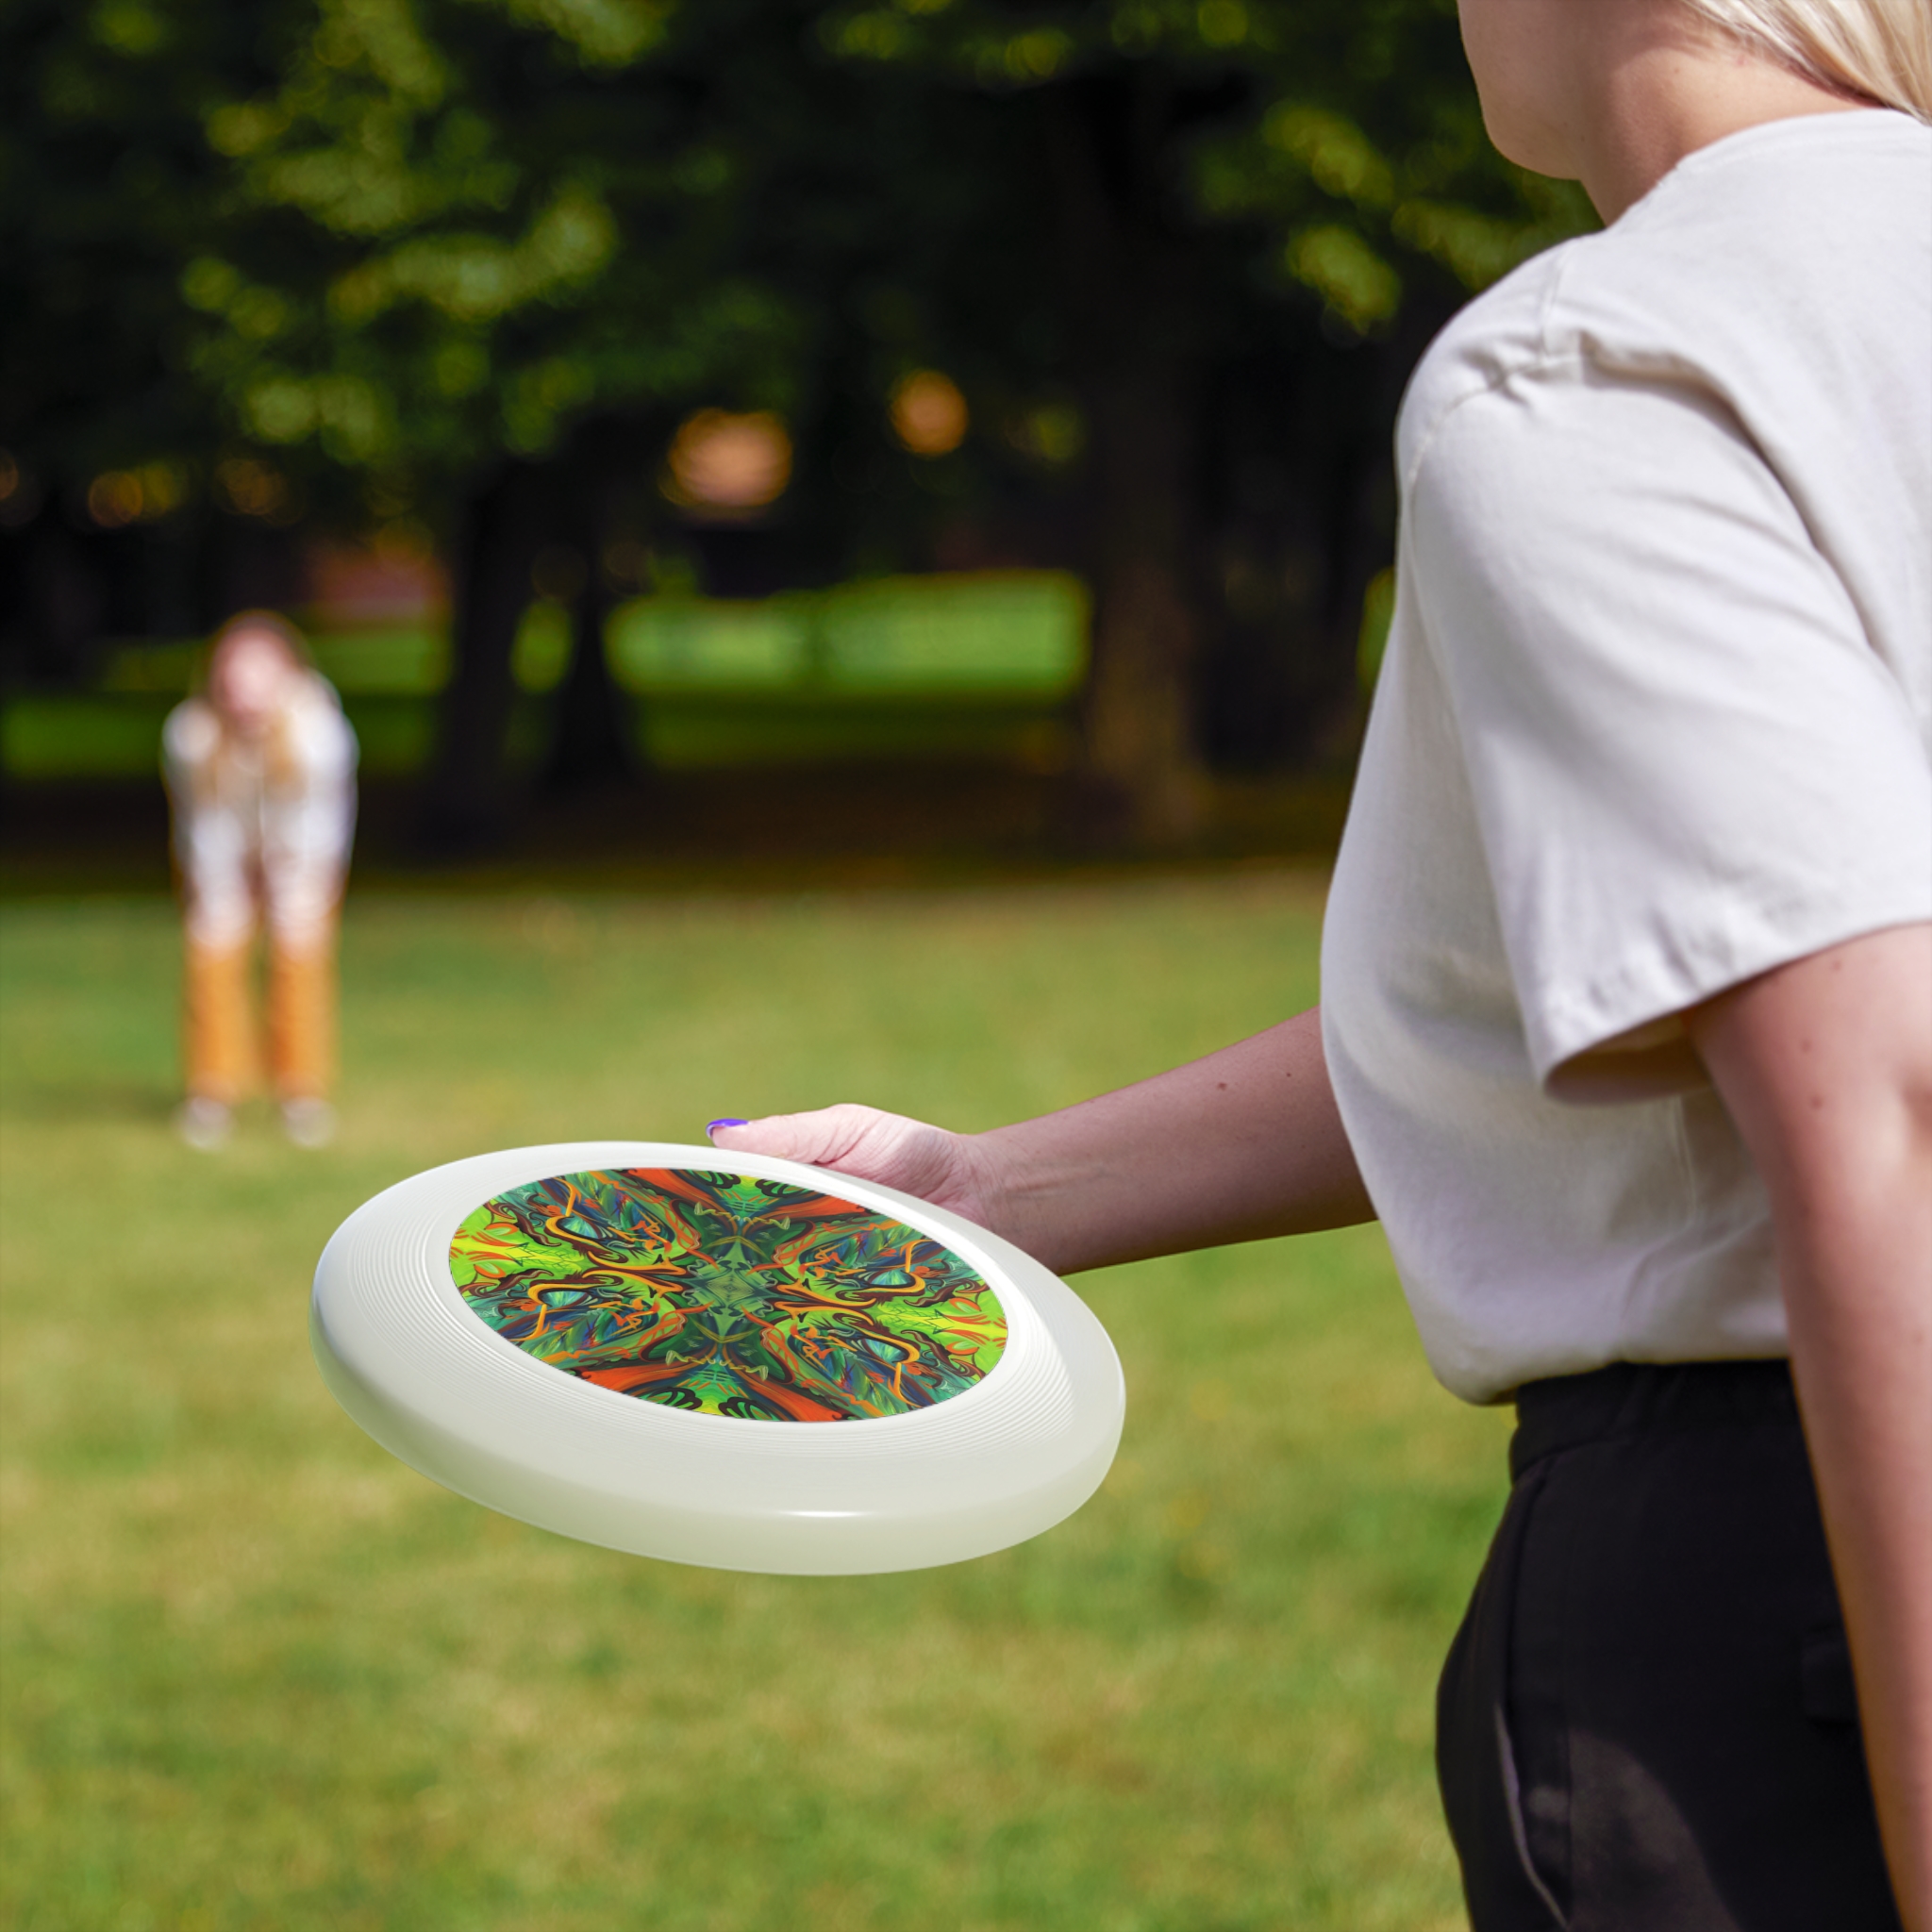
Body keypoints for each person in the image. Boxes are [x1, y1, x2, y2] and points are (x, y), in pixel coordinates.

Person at [705, 2, 1932, 1924]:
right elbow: (1624, 995)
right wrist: (986, 1189)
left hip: (1795, 1594)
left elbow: (1885, 1106)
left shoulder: (1608, 362)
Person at [162, 611, 358, 1151]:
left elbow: (318, 822)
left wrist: (288, 878)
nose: (245, 692)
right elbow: (203, 823)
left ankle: (300, 1093)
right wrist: (224, 885)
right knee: (212, 952)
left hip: (301, 857)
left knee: (299, 957)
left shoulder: (319, 734)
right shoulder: (192, 735)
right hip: (222, 856)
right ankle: (212, 1092)